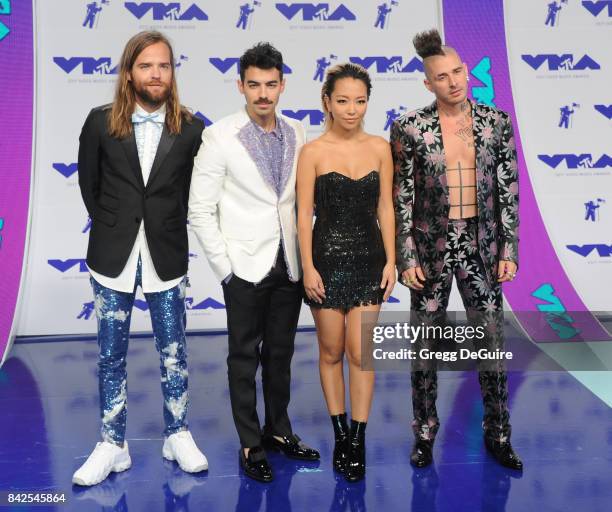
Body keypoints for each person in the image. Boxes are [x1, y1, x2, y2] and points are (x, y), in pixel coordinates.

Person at [72, 31, 207, 487]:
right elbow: (90, 187)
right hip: (112, 256)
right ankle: (113, 443)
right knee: (111, 356)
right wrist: (117, 227)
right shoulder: (99, 122)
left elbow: (192, 196)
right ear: (129, 71)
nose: (156, 74)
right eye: (147, 65)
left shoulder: (191, 128)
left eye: (164, 66)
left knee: (174, 354)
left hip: (166, 256)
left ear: (173, 72)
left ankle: (178, 433)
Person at [390, 29, 523, 470]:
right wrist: (406, 257)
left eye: (457, 72)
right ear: (427, 83)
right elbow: (401, 197)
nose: (453, 82)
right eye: (441, 77)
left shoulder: (496, 122)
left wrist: (510, 249)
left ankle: (498, 433)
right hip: (431, 248)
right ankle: (424, 433)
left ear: (467, 71)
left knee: (491, 340)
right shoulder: (410, 127)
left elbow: (508, 190)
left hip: (481, 247)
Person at [188, 42, 320, 483]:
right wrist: (225, 268)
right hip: (243, 266)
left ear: (282, 84)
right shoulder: (219, 136)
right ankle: (251, 443)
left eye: (271, 84)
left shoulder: (300, 132)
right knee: (243, 358)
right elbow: (200, 210)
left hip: (291, 263)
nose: (263, 94)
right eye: (254, 85)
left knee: (280, 355)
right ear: (240, 85)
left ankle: (278, 431)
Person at [297, 63, 396, 482]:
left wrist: (391, 260)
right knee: (331, 352)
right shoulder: (313, 152)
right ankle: (339, 431)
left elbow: (385, 207)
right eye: (343, 101)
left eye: (359, 101)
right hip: (327, 260)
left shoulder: (380, 147)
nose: (352, 109)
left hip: (369, 259)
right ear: (327, 102)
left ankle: (358, 437)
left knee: (361, 353)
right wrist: (308, 267)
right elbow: (303, 216)